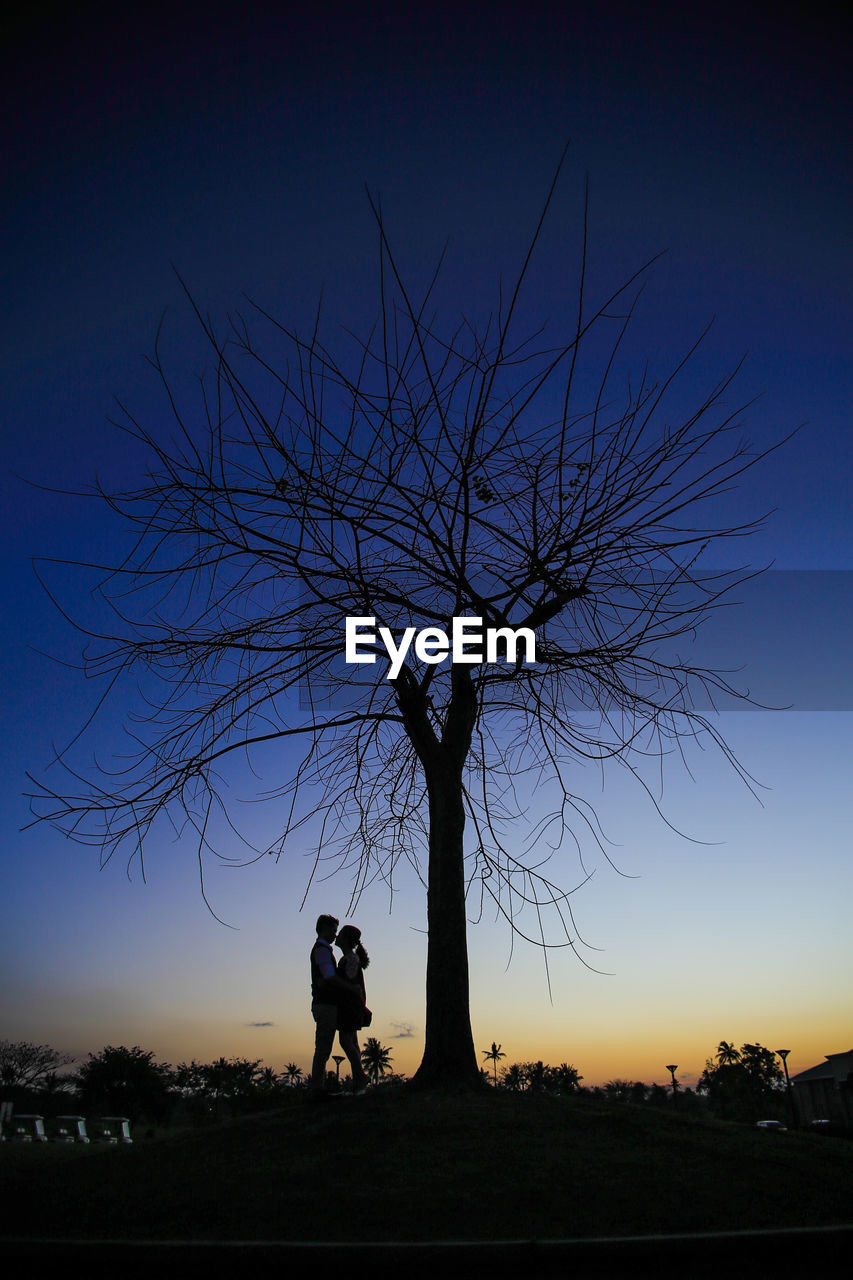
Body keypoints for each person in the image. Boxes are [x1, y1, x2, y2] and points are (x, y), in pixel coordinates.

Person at [308, 914, 368, 1098]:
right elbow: (330, 977)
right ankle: (320, 1088)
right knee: (328, 1046)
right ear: (324, 929)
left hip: (342, 1006)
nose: (335, 935)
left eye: (337, 932)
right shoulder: (324, 951)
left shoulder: (343, 957)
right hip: (328, 1005)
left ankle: (357, 1079)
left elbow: (333, 979)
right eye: (333, 931)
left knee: (343, 1042)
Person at [335, 925, 371, 1094]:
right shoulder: (349, 958)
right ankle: (359, 1080)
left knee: (346, 1041)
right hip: (351, 1006)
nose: (337, 936)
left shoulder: (350, 959)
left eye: (340, 934)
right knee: (353, 1043)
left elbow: (349, 984)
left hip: (349, 1006)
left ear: (346, 939)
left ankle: (360, 1076)